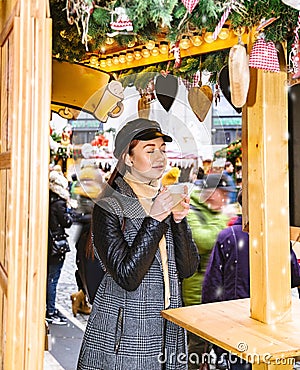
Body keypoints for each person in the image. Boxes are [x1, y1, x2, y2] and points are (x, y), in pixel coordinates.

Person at [77, 118, 199, 370]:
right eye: (150, 150)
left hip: (170, 324)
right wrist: (154, 219)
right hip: (126, 328)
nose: (160, 157)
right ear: (129, 158)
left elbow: (187, 270)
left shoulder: (164, 197)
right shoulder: (109, 205)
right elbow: (127, 276)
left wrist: (179, 222)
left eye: (163, 150)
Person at [202, 190, 300, 370]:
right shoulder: (278, 236)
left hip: (235, 323)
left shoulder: (228, 236)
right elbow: (294, 277)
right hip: (274, 321)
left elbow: (211, 287)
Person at [182, 173, 235, 370]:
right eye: (223, 194)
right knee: (197, 350)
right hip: (197, 295)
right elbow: (203, 240)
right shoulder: (191, 210)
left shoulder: (216, 213)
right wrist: (225, 222)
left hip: (218, 296)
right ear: (211, 194)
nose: (226, 200)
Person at [70, 165, 105, 316]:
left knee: (87, 271)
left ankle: (82, 298)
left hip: (87, 237)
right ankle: (84, 299)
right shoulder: (93, 193)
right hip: (90, 237)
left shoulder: (85, 190)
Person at [46, 168, 74, 325]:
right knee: (53, 278)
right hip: (57, 245)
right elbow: (67, 222)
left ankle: (48, 308)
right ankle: (50, 311)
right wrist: (69, 210)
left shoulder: (47, 199)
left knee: (48, 277)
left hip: (48, 243)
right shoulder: (59, 203)